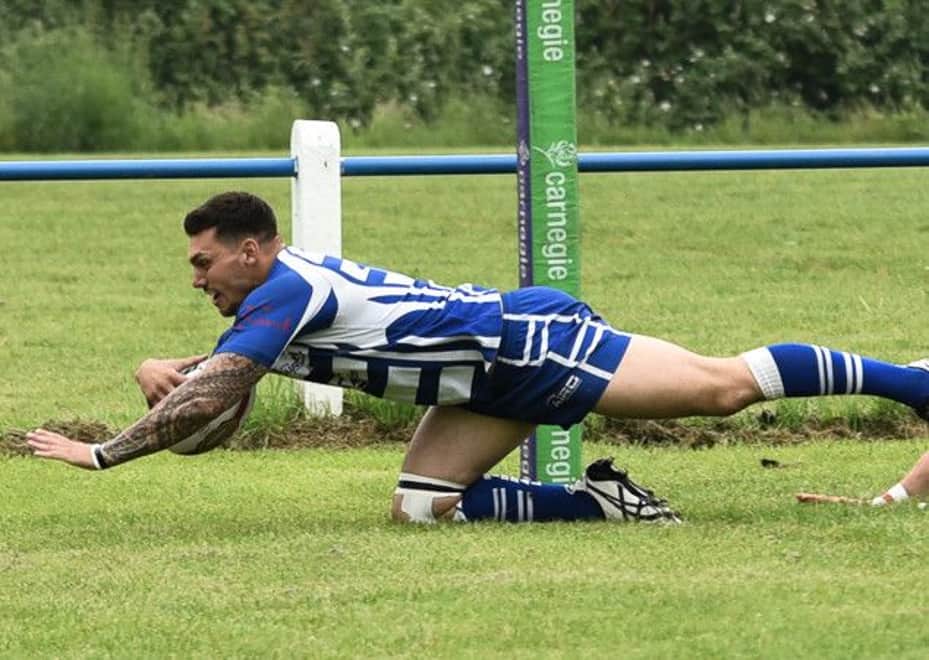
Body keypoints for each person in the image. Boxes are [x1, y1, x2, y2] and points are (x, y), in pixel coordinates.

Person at [26, 191, 929, 523]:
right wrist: (172, 366)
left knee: (721, 389)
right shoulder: (274, 295)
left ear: (251, 249)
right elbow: (224, 381)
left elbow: (219, 394)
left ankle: (912, 384)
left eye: (203, 260)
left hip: (524, 345)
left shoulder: (280, 291)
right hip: (473, 380)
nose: (196, 277)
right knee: (422, 509)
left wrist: (103, 451)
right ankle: (598, 502)